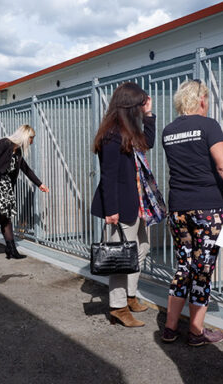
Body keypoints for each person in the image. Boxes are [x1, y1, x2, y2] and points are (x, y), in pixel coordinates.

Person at [159, 79, 223, 345]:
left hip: (178, 208)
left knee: (184, 266)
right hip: (208, 210)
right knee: (202, 269)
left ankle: (169, 328)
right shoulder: (208, 126)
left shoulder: (168, 131)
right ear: (201, 99)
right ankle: (195, 331)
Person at [90, 82, 155, 328]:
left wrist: (149, 114)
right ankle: (118, 307)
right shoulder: (112, 134)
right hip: (121, 205)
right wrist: (111, 211)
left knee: (141, 247)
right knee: (120, 257)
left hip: (137, 202)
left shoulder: (128, 130)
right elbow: (108, 176)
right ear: (128, 106)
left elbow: (148, 142)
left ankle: (129, 296)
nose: (141, 108)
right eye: (139, 104)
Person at [0, 124, 49, 259]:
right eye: (31, 138)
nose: (32, 141)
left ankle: (11, 250)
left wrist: (40, 184)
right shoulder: (3, 143)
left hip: (6, 186)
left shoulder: (18, 151)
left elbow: (26, 169)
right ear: (25, 137)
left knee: (6, 217)